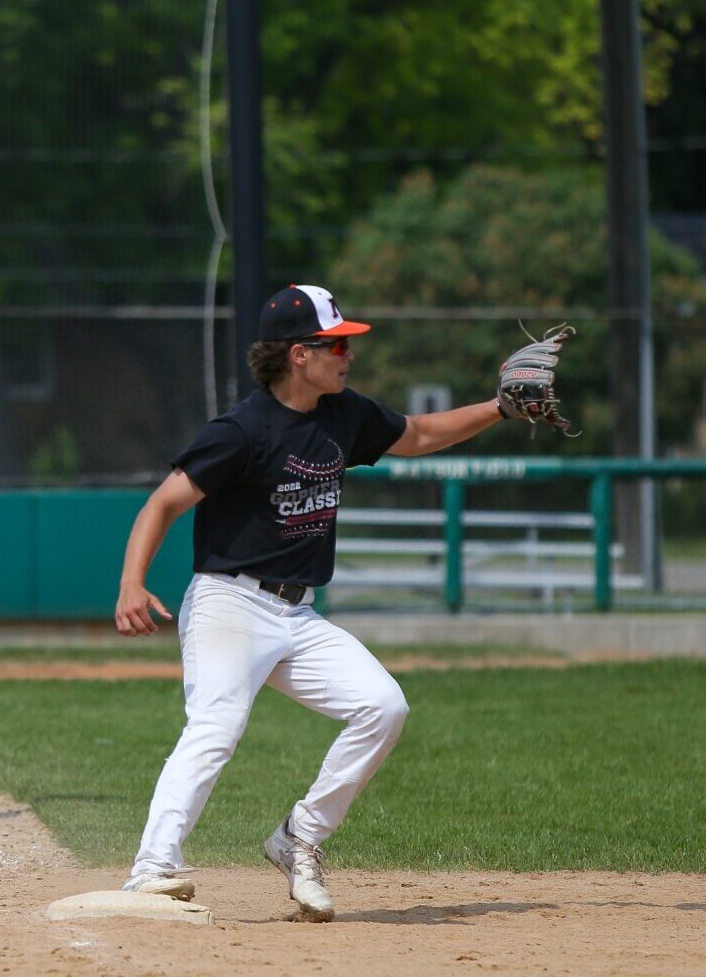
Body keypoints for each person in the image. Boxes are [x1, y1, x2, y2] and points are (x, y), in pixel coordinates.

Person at [113, 284, 514, 922]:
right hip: (230, 603)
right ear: (299, 355)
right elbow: (162, 503)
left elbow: (417, 435)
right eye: (337, 345)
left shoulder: (343, 414)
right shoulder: (242, 431)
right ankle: (152, 869)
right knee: (216, 727)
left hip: (297, 614)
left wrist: (499, 408)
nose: (348, 355)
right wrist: (132, 583)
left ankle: (298, 837)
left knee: (383, 706)